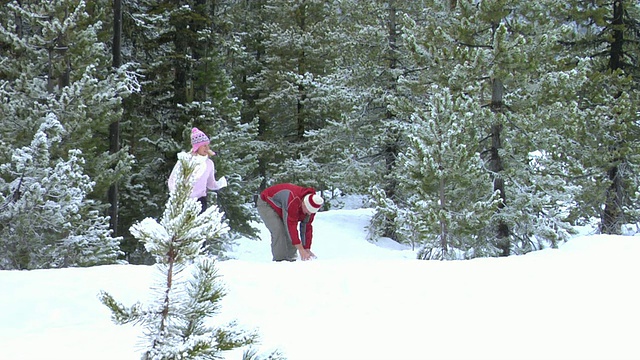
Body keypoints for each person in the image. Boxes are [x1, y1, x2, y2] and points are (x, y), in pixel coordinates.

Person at [257, 183, 324, 261]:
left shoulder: (313, 204)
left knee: (289, 233)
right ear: (304, 203)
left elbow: (307, 227)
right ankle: (279, 261)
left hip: (283, 206)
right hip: (266, 203)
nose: (309, 213)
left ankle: (292, 258)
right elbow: (291, 226)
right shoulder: (294, 200)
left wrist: (306, 248)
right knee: (279, 230)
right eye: (308, 210)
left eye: (311, 212)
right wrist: (300, 249)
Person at [168, 127, 227, 213]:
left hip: (200, 202)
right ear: (197, 147)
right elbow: (172, 180)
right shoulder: (185, 160)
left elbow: (210, 184)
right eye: (204, 145)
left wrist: (221, 183)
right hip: (184, 200)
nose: (207, 148)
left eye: (208, 145)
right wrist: (176, 197)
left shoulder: (209, 163)